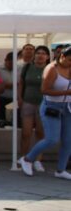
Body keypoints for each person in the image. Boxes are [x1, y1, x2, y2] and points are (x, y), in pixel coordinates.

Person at [18, 46, 71, 179]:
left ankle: (61, 170)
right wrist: (66, 92)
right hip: (51, 106)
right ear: (62, 56)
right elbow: (44, 90)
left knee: (68, 141)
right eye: (70, 60)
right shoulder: (52, 69)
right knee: (52, 139)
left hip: (68, 107)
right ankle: (27, 159)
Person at [17, 46, 51, 172]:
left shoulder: (50, 69)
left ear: (47, 57)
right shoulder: (27, 67)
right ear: (34, 55)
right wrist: (19, 98)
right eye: (38, 53)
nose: (40, 55)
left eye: (43, 53)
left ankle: (37, 160)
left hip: (44, 104)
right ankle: (24, 158)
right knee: (26, 133)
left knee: (40, 133)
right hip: (27, 102)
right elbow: (21, 83)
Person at [0, 52, 15, 128]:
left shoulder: (18, 69)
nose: (11, 65)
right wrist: (8, 85)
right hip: (1, 99)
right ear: (5, 60)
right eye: (10, 62)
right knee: (1, 120)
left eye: (13, 63)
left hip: (13, 99)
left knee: (12, 119)